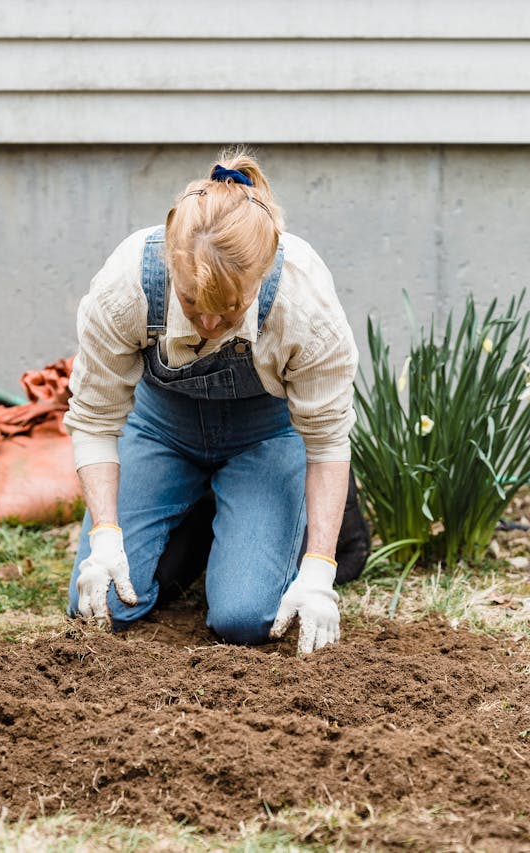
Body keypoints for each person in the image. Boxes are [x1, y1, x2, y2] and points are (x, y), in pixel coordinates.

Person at [63, 150, 358, 654]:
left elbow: (328, 440)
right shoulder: (127, 286)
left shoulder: (304, 304)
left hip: (265, 437)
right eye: (193, 304)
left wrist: (319, 570)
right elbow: (93, 419)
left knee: (246, 619)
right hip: (161, 429)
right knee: (102, 607)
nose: (209, 326)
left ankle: (277, 517)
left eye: (230, 308)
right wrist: (106, 536)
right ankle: (204, 514)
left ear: (261, 276)